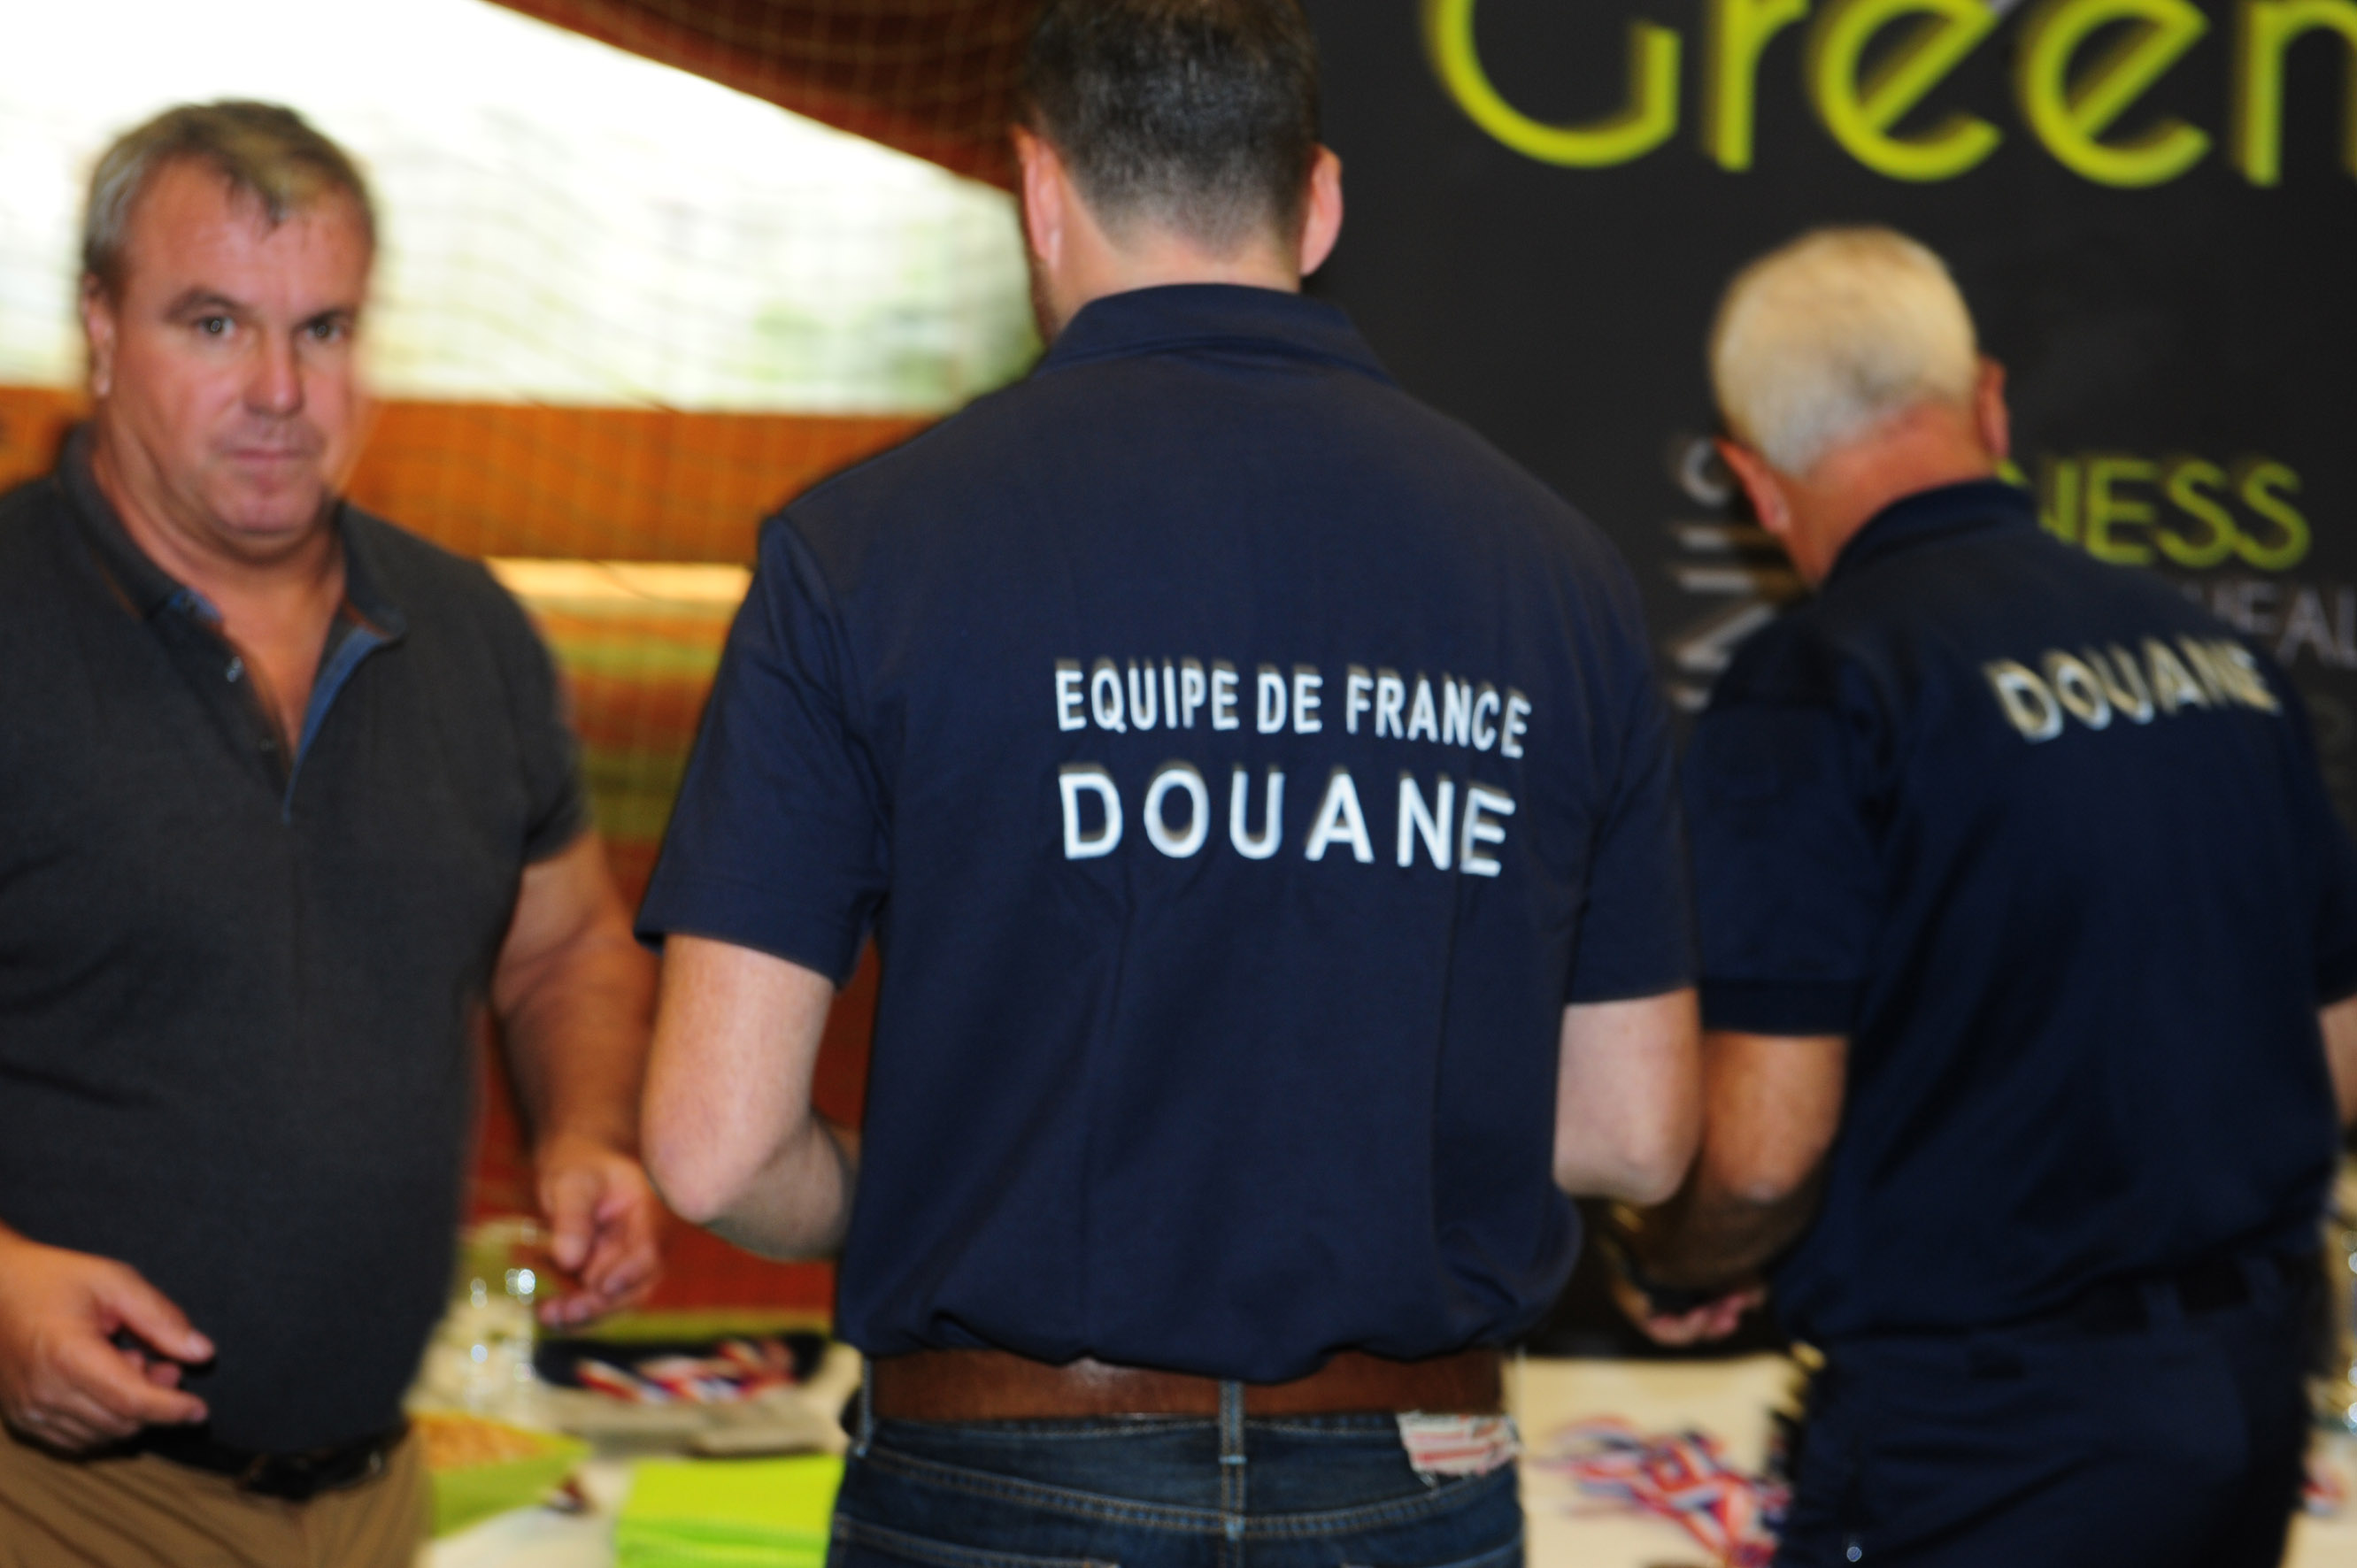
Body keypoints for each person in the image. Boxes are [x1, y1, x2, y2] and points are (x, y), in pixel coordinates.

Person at [635, 0, 1699, 1559]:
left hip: (1002, 1476)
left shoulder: (862, 552)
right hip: (1411, 1477)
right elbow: (1637, 1134)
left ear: (1038, 191)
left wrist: (904, 1190)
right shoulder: (1558, 570)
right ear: (1318, 204)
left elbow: (713, 1146)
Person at [1610, 227, 2357, 1566]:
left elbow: (1766, 1150)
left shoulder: (1818, 684)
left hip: (1988, 1433)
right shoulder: (2221, 659)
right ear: (1991, 406)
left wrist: (1679, 1252)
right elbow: (2341, 1056)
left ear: (1756, 483)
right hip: (2246, 1400)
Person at [0, 103, 662, 1566]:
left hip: (369, 1499)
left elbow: (561, 949)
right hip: (48, 1501)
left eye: (324, 328)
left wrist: (588, 1128)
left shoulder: (469, 632)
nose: (281, 392)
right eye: (215, 324)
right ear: (100, 329)